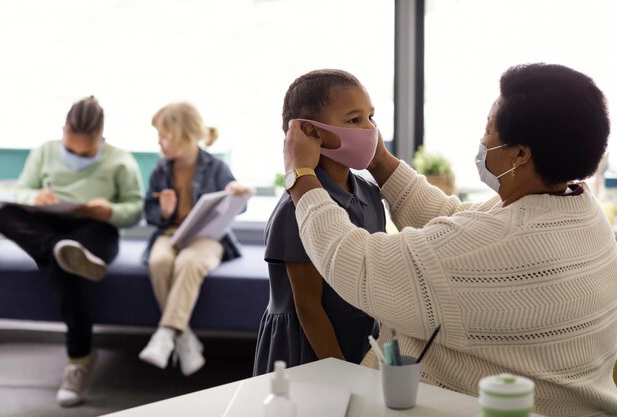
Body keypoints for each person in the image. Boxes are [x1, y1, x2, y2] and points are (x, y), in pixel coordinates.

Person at [282, 63, 617, 415]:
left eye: (489, 129)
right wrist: (378, 159)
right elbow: (456, 223)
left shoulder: (498, 241)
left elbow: (355, 261)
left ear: (520, 154)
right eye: (355, 120)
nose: (482, 140)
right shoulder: (581, 209)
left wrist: (300, 175)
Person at [0, 96, 143, 407]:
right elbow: (17, 190)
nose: (76, 154)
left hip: (94, 231)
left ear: (101, 136)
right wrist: (37, 196)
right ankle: (58, 251)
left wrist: (109, 210)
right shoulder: (44, 151)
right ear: (63, 131)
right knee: (3, 214)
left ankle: (80, 359)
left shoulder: (120, 161)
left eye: (85, 152)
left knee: (71, 265)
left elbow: (134, 210)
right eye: (71, 148)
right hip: (48, 226)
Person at [253, 69, 385, 376]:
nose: (370, 130)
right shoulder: (295, 208)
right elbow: (309, 308)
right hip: (309, 348)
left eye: (371, 117)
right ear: (311, 132)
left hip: (361, 338)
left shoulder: (368, 192)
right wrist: (341, 374)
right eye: (354, 120)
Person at [140, 102, 249, 376]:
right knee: (160, 261)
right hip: (170, 233)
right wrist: (163, 211)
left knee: (189, 263)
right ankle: (184, 338)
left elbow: (241, 205)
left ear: (185, 135)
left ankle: (166, 335)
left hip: (206, 238)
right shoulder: (161, 169)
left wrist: (236, 192)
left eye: (164, 136)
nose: (160, 143)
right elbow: (149, 211)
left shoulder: (216, 167)